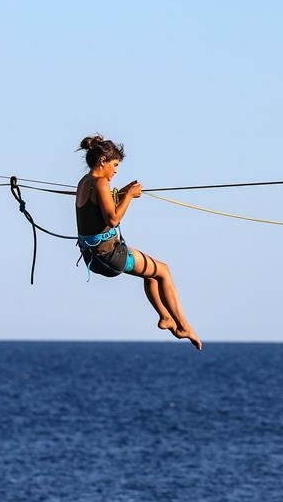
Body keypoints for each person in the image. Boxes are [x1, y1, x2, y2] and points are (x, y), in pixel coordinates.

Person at [76, 134, 202, 350]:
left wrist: (124, 191)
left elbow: (99, 207)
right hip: (110, 256)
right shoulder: (101, 182)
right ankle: (184, 325)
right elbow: (112, 219)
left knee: (152, 275)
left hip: (94, 257)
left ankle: (166, 318)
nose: (115, 171)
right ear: (102, 161)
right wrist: (129, 197)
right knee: (164, 270)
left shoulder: (84, 182)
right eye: (114, 165)